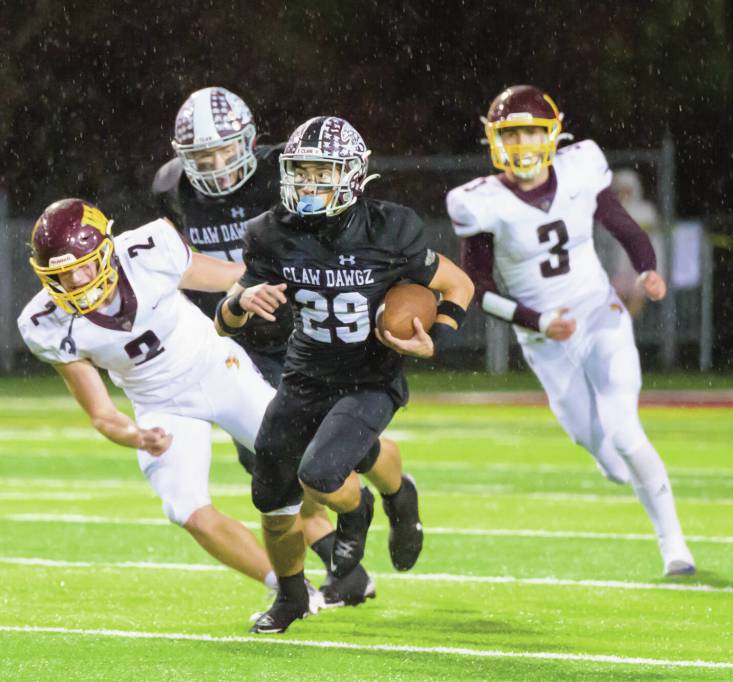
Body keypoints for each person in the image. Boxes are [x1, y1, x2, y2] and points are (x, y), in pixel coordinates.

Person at [218, 115, 475, 633]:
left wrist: (437, 338)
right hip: (305, 374)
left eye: (323, 172)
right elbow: (226, 322)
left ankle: (361, 512)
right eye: (301, 171)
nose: (309, 183)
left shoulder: (389, 229)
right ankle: (292, 597)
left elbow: (459, 285)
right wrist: (242, 302)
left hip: (370, 377)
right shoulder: (271, 233)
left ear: (353, 175)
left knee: (320, 474)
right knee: (271, 497)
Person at [446, 85, 695, 577]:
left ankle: (675, 547)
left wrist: (646, 267)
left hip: (599, 315)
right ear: (494, 139)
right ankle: (617, 465)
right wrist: (537, 320)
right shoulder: (480, 202)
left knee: (626, 433)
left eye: (530, 132)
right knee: (599, 447)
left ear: (552, 135)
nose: (521, 144)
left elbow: (623, 226)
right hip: (544, 341)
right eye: (510, 134)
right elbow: (478, 288)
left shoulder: (581, 169)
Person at [16, 198, 295, 600]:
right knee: (185, 508)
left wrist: (289, 281)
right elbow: (101, 413)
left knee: (307, 461)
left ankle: (363, 519)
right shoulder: (44, 323)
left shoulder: (148, 250)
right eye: (61, 274)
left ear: (105, 251)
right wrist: (137, 436)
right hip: (161, 405)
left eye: (83, 265)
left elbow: (234, 277)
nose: (76, 281)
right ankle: (290, 589)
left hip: (218, 370)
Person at [151, 86, 343, 596]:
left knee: (320, 448)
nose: (215, 165)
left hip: (306, 327)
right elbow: (180, 262)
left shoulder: (286, 170)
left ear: (250, 141)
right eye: (201, 156)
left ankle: (375, 510)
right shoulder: (171, 187)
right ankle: (345, 563)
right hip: (236, 338)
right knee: (268, 458)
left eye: (223, 150)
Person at [604, 169, 664, 317]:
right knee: (616, 300)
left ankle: (626, 324)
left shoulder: (646, 210)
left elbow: (654, 241)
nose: (622, 194)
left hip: (641, 267)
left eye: (626, 190)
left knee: (636, 300)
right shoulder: (613, 211)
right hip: (619, 266)